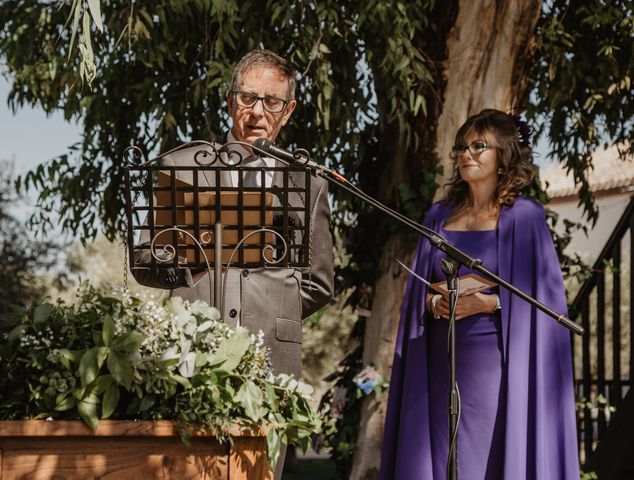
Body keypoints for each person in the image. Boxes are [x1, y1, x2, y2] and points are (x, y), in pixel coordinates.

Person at [132, 50, 334, 479]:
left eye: (272, 102)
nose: (258, 112)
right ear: (229, 101)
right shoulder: (182, 166)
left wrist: (272, 303)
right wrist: (189, 269)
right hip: (187, 355)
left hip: (272, 359)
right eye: (248, 98)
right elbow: (146, 260)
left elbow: (319, 282)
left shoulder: (309, 180)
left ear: (288, 110)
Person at [380, 109, 580, 479]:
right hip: (440, 360)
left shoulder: (524, 216)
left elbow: (548, 301)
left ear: (503, 155)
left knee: (485, 456)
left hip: (496, 366)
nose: (467, 154)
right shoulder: (439, 215)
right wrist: (434, 302)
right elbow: (418, 292)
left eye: (478, 146)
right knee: (440, 455)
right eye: (462, 147)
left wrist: (490, 303)